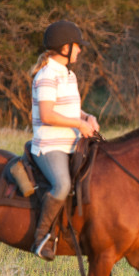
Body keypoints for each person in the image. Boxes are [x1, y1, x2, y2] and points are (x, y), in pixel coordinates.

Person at [29, 20, 99, 261]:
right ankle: (41, 238)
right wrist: (79, 125)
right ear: (64, 47)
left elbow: (70, 110)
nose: (80, 50)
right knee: (62, 186)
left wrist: (87, 116)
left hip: (72, 144)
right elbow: (47, 114)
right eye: (77, 46)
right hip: (50, 146)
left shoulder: (69, 75)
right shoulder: (47, 75)